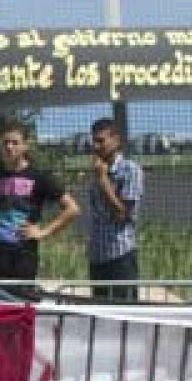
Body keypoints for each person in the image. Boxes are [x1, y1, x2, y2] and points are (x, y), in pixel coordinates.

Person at [0, 124, 78, 283]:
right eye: (5, 143)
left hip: (23, 258)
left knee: (21, 304)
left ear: (25, 146)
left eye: (15, 142)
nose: (9, 147)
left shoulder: (39, 177)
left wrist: (43, 232)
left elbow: (72, 209)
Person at [81, 116, 144, 301]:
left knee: (124, 316)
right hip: (97, 257)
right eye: (94, 141)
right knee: (101, 317)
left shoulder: (130, 170)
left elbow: (122, 214)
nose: (96, 146)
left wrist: (103, 181)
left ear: (116, 140)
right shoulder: (98, 170)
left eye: (101, 141)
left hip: (120, 256)